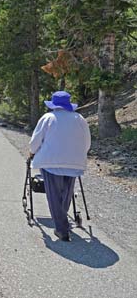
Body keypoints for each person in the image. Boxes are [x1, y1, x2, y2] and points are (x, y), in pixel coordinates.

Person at [29, 91, 91, 242]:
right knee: (66, 193)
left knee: (54, 194)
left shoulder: (48, 118)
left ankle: (61, 229)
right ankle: (62, 220)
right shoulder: (80, 119)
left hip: (51, 162)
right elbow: (87, 143)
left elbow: (36, 141)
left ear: (54, 105)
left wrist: (31, 152)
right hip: (74, 163)